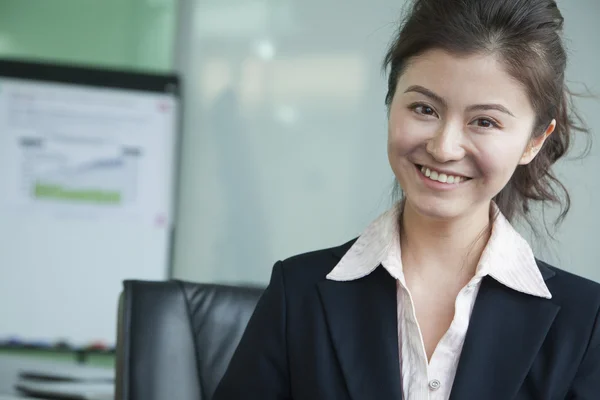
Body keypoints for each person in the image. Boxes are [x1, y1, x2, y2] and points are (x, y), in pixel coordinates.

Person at [213, 0, 600, 398]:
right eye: (424, 108)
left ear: (534, 141)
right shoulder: (296, 294)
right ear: (390, 103)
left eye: (484, 121)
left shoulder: (586, 322)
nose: (444, 147)